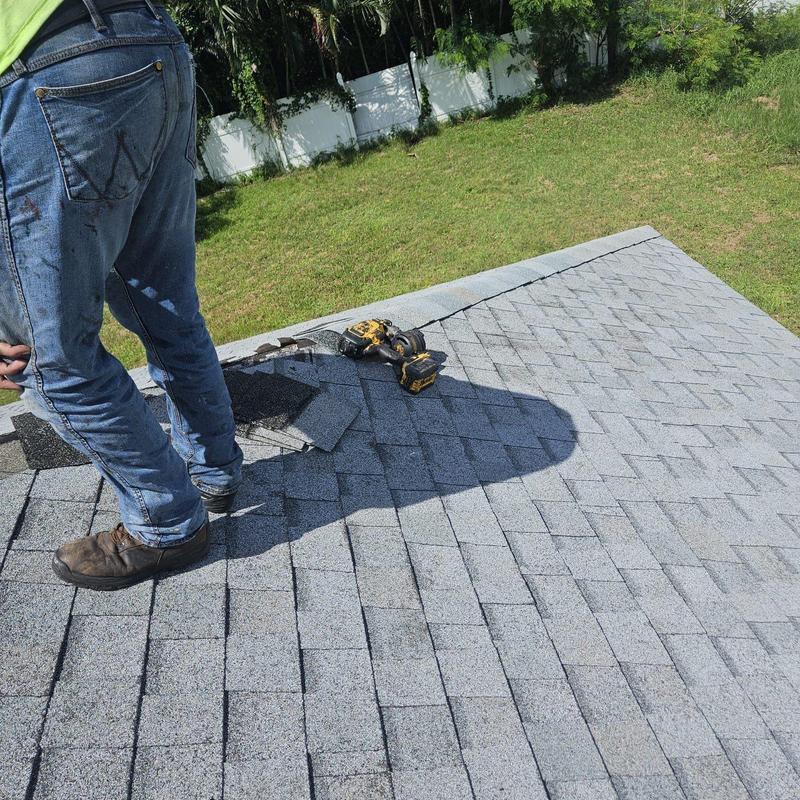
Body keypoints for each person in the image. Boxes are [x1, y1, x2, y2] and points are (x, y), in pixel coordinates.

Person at [0, 0, 243, 590]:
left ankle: (168, 522)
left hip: (44, 69)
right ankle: (214, 470)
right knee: (163, 303)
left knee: (49, 360)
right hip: (150, 39)